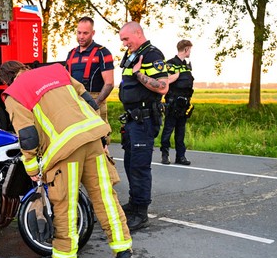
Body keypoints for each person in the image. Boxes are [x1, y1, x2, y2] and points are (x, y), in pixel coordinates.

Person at [0, 60, 133, 258]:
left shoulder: (15, 92)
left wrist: (32, 169)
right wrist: (104, 136)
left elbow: (27, 135)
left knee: (64, 203)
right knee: (105, 196)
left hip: (65, 150)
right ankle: (123, 249)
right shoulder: (57, 72)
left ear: (6, 79)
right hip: (92, 136)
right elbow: (89, 101)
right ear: (24, 68)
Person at [117, 21, 169, 231]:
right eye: (122, 40)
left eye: (126, 39)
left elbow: (163, 87)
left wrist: (139, 73)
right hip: (132, 119)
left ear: (138, 33)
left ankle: (141, 212)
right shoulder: (132, 54)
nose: (124, 43)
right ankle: (134, 202)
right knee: (130, 163)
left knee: (139, 166)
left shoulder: (152, 55)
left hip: (144, 120)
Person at [65, 16, 115, 126]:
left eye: (85, 33)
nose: (81, 37)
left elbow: (109, 83)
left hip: (95, 99)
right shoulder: (71, 54)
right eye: (79, 33)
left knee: (101, 138)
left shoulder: (102, 52)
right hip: (75, 102)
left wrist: (95, 104)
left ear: (93, 33)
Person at [160, 40, 195, 165]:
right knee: (168, 129)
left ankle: (181, 156)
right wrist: (177, 75)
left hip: (184, 103)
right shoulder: (171, 63)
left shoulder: (186, 65)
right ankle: (165, 154)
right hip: (173, 102)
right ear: (186, 49)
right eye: (190, 49)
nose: (190, 52)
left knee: (181, 130)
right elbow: (165, 80)